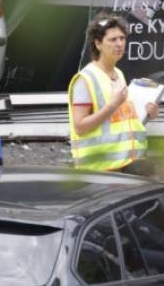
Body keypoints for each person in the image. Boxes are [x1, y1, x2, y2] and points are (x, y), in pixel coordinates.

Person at [68, 13, 159, 174]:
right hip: (100, 170)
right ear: (98, 44)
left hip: (127, 164)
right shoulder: (85, 79)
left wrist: (145, 114)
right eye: (113, 39)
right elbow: (80, 127)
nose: (119, 44)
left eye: (122, 38)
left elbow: (119, 121)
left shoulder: (119, 74)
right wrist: (112, 105)